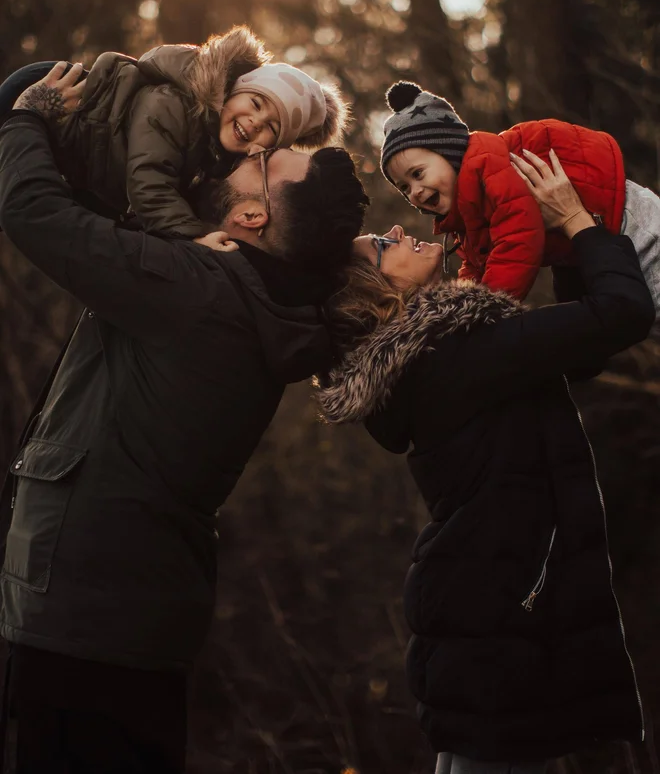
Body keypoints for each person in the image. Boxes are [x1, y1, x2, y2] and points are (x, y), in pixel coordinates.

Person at [0, 64, 368, 773]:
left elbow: (34, 215)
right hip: (138, 616)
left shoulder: (201, 288)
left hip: (78, 611)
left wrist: (27, 118)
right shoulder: (269, 305)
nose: (247, 154)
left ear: (251, 218)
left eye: (264, 162)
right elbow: (111, 212)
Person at [317, 150, 655, 773]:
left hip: (476, 600)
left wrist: (560, 247)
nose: (395, 229)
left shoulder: (431, 362)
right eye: (377, 245)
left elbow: (578, 353)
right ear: (377, 288)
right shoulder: (459, 351)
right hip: (496, 606)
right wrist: (579, 223)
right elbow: (624, 314)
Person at [0, 25, 348, 238]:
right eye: (255, 104)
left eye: (271, 127)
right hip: (58, 103)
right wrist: (193, 236)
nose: (256, 122)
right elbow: (148, 179)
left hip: (83, 167)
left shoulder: (218, 158)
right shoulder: (175, 105)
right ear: (229, 93)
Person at [379, 80, 660, 308]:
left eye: (418, 174)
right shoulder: (468, 213)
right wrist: (462, 302)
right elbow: (477, 264)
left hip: (630, 219)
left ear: (450, 154)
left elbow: (518, 240)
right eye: (404, 187)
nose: (414, 191)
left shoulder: (488, 167)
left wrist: (485, 308)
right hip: (604, 239)